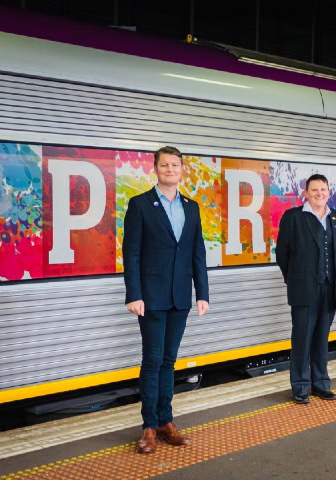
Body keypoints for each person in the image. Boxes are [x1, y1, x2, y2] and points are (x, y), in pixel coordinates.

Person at [123, 146, 210, 454]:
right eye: (165, 165)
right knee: (153, 360)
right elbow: (131, 253)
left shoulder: (192, 207)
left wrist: (202, 293)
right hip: (150, 297)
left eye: (175, 165)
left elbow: (197, 252)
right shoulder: (140, 205)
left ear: (182, 169)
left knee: (169, 362)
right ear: (155, 169)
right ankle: (149, 426)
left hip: (179, 297)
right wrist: (133, 294)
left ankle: (166, 422)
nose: (170, 169)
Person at [276, 174, 336, 404]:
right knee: (302, 339)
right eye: (314, 190)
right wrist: (295, 279)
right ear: (306, 193)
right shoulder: (293, 217)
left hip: (329, 288)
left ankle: (321, 383)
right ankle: (300, 386)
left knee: (321, 338)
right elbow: (282, 255)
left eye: (323, 190)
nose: (319, 194)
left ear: (329, 192)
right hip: (303, 288)